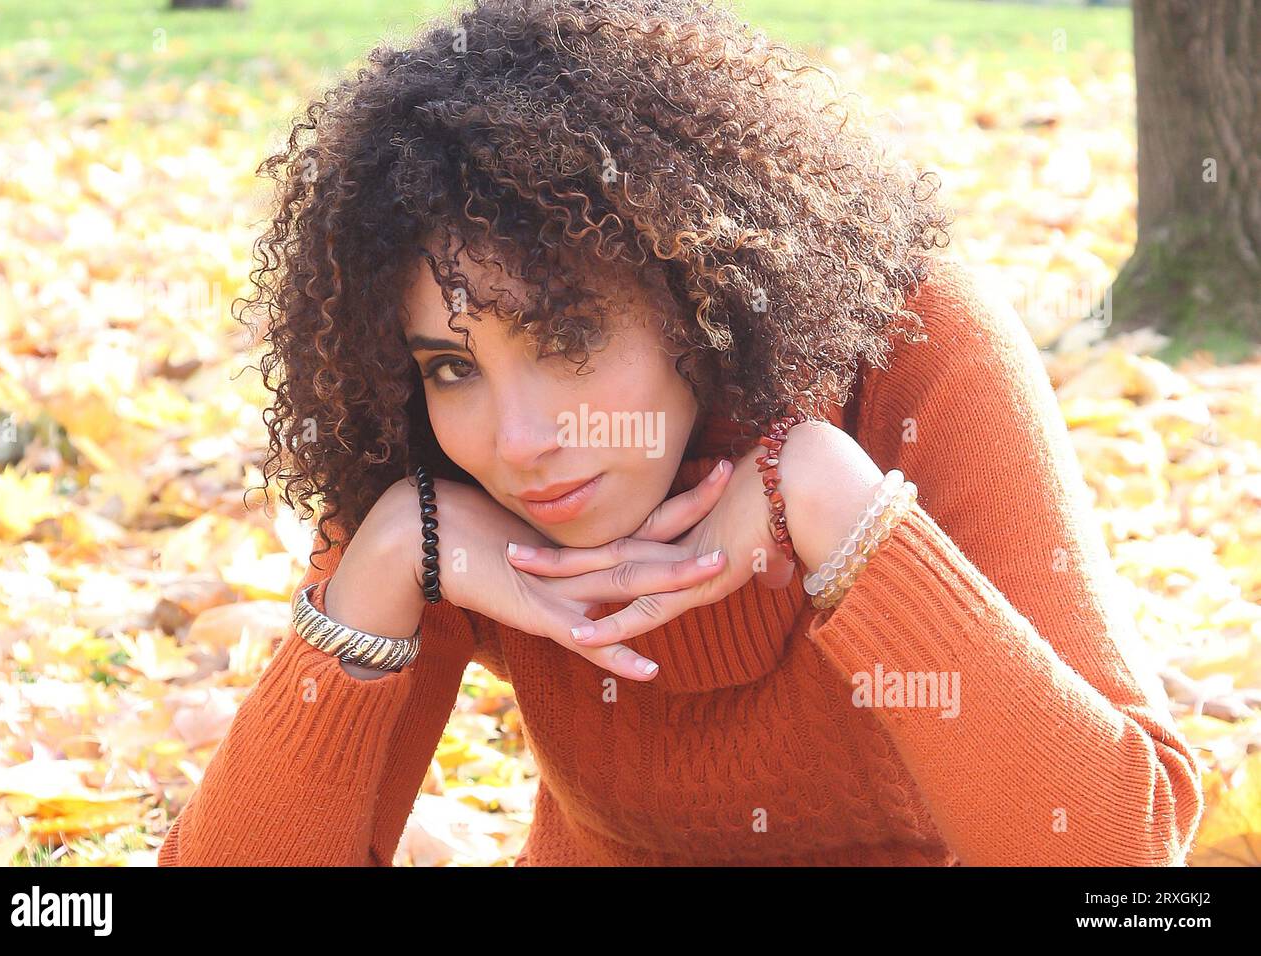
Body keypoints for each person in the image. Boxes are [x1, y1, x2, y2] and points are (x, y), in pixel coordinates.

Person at [158, 0, 1203, 866]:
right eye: (451, 365)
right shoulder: (429, 462)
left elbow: (1120, 859)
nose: (519, 440)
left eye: (567, 337)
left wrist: (837, 505)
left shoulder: (910, 350)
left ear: (696, 292)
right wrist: (384, 559)